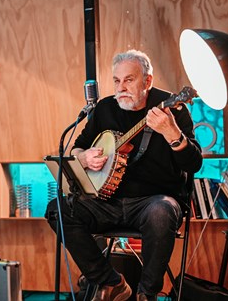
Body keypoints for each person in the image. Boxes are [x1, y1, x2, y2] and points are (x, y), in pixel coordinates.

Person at [46, 49, 202, 301]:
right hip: (107, 202)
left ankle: (146, 294)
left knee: (161, 211)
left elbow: (194, 163)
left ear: (147, 81)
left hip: (154, 202)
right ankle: (110, 281)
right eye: (117, 81)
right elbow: (77, 148)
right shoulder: (105, 108)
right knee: (58, 210)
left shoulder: (173, 108)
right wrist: (84, 157)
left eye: (129, 80)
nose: (121, 88)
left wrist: (172, 133)